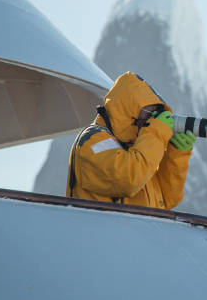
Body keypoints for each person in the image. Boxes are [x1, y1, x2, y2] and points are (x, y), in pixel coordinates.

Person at [66, 71, 196, 209]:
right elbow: (129, 180)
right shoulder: (91, 140)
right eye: (149, 114)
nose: (151, 120)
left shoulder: (139, 152)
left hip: (138, 230)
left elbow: (168, 199)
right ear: (128, 110)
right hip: (102, 230)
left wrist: (176, 154)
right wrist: (156, 131)